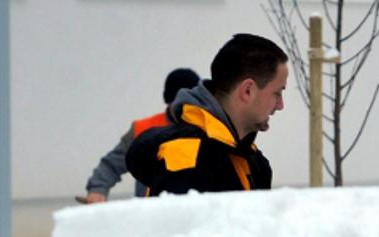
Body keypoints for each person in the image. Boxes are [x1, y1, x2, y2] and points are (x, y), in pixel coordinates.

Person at [127, 33, 287, 195]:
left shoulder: (255, 161)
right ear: (247, 91)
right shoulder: (186, 157)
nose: (281, 105)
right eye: (277, 93)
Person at [81, 67, 201, 202]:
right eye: (180, 102)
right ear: (169, 101)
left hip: (195, 214)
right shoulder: (142, 129)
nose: (185, 107)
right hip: (149, 214)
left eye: (191, 102)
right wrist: (97, 190)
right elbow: (111, 165)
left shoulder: (208, 129)